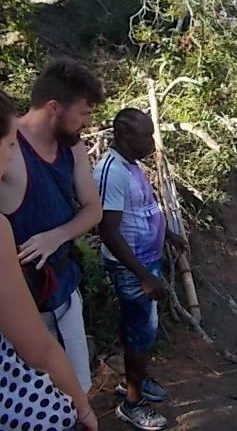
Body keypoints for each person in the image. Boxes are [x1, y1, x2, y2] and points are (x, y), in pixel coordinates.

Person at [0, 59, 105, 393]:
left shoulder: (73, 148)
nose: (88, 122)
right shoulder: (5, 146)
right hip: (17, 303)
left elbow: (94, 209)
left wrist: (58, 235)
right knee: (33, 397)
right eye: (83, 112)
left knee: (77, 387)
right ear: (54, 107)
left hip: (64, 289)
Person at [94, 108, 187, 430]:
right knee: (140, 333)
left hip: (144, 262)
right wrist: (143, 276)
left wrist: (169, 235)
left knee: (139, 328)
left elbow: (144, 209)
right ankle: (132, 404)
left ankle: (134, 380)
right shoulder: (112, 172)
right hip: (131, 268)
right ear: (124, 136)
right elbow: (107, 230)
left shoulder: (131, 165)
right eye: (145, 135)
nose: (151, 141)